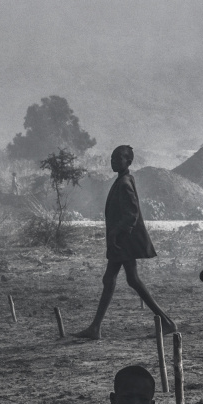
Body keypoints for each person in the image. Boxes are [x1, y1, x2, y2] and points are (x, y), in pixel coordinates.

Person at [73, 145, 175, 340]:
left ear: (128, 162)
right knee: (122, 279)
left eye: (117, 159)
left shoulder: (124, 182)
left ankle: (166, 322)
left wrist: (115, 234)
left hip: (122, 242)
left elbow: (132, 214)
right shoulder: (123, 180)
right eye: (112, 158)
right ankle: (96, 327)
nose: (113, 161)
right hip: (121, 240)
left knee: (120, 279)